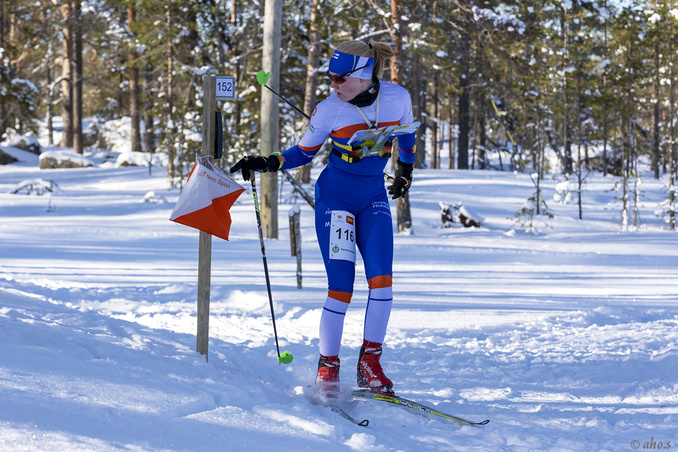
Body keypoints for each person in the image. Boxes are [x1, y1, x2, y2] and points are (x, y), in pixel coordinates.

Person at [231, 40, 416, 396]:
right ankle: (328, 365)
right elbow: (303, 152)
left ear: (363, 75)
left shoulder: (398, 98)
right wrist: (267, 162)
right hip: (336, 199)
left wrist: (405, 172)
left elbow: (407, 136)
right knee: (342, 287)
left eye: (339, 78)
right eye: (330, 77)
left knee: (382, 282)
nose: (333, 84)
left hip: (374, 198)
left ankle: (370, 362)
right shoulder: (329, 109)